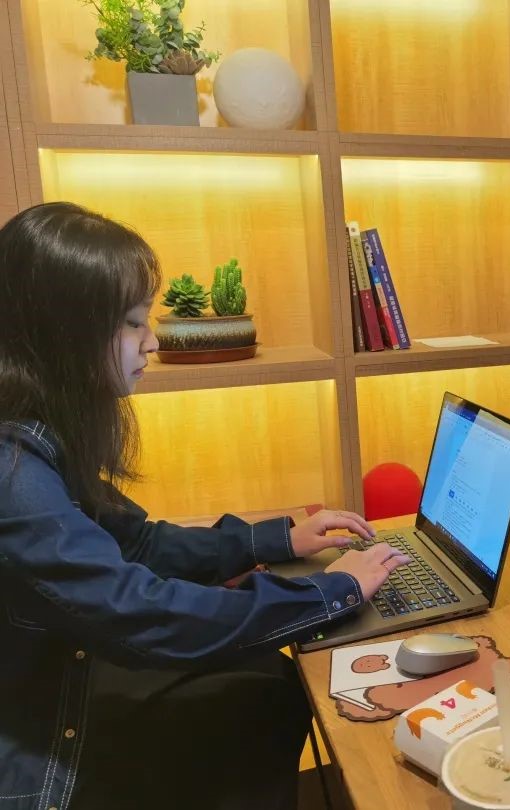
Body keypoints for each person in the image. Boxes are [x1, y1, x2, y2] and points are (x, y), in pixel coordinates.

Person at [0, 202, 413, 809]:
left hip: (66, 676)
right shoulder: (14, 475)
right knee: (261, 695)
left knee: (267, 682)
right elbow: (141, 614)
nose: (152, 340)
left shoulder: (38, 435)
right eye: (133, 323)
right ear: (63, 333)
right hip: (42, 752)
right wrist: (331, 591)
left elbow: (138, 544)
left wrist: (279, 540)